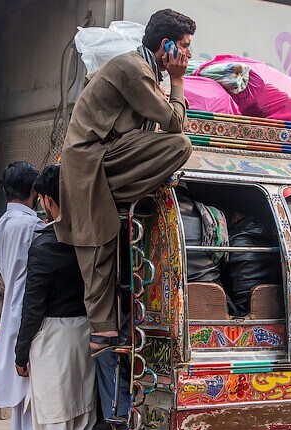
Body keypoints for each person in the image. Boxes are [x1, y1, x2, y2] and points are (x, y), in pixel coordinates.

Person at [58, 9, 195, 355]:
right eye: (184, 46)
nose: (189, 55)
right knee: (180, 146)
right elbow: (175, 124)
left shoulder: (142, 70)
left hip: (98, 161)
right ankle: (103, 333)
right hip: (95, 161)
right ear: (166, 46)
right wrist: (178, 81)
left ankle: (104, 333)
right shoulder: (133, 70)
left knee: (103, 246)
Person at [14, 165, 97, 430]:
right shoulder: (91, 233)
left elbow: (32, 306)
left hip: (51, 335)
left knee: (50, 417)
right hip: (87, 330)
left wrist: (21, 353)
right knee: (82, 406)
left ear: (47, 200)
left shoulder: (44, 244)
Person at [0, 161, 45, 430]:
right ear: (35, 192)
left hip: (13, 310)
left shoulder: (3, 224)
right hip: (28, 313)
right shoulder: (30, 226)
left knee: (21, 401)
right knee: (30, 400)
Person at [221, 203, 280, 317]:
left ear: (236, 216)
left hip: (240, 306)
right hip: (269, 306)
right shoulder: (271, 239)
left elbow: (223, 275)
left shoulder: (231, 240)